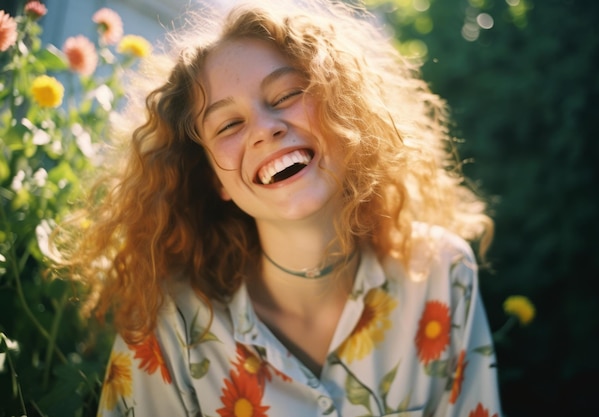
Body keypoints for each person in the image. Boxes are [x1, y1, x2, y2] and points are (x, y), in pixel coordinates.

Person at [56, 0, 501, 415]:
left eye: (286, 95)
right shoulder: (167, 330)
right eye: (229, 124)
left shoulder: (443, 273)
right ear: (215, 179)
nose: (265, 130)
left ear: (343, 111)